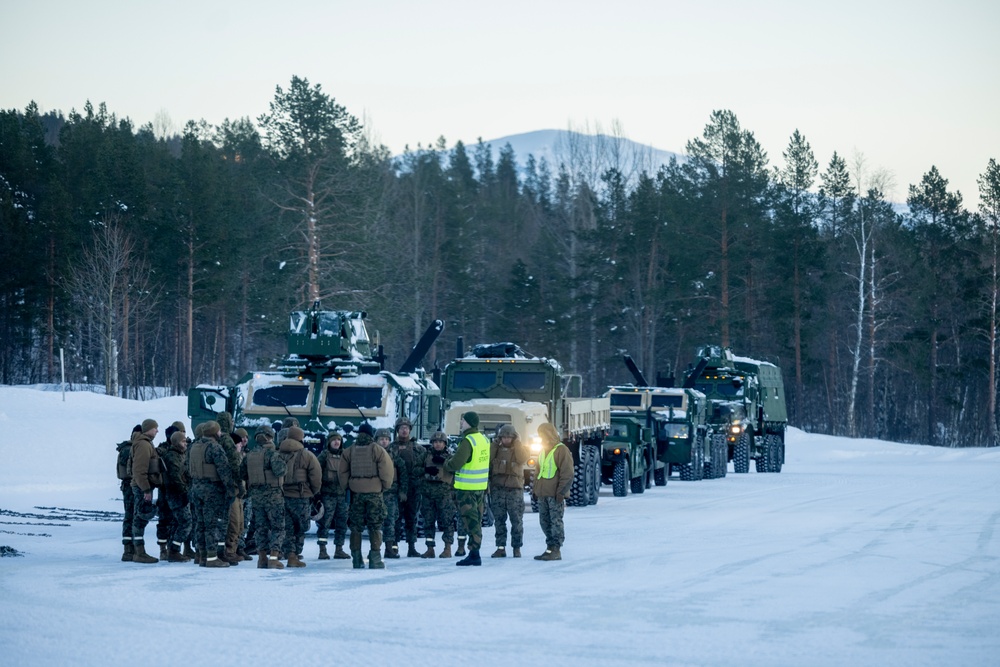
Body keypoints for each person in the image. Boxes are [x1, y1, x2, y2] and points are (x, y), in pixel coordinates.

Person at [338, 423, 394, 569]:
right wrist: (384, 486)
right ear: (371, 435)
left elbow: (342, 473)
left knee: (356, 527)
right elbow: (387, 471)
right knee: (375, 525)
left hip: (356, 494)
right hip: (374, 493)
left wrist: (348, 487)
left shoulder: (349, 451)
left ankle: (356, 559)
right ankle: (375, 558)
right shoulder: (378, 450)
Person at [444, 411, 491, 566]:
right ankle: (473, 552)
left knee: (471, 522)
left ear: (469, 423)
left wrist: (446, 464)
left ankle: (474, 554)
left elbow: (456, 463)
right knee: (476, 519)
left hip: (467, 488)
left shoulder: (467, 441)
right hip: (480, 487)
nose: (461, 423)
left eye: (463, 421)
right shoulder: (483, 439)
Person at [187, 420, 236, 568]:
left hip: (196, 488)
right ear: (215, 432)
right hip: (212, 491)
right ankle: (212, 557)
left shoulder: (193, 446)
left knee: (200, 523)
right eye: (219, 431)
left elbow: (186, 468)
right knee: (212, 524)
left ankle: (201, 555)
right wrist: (231, 489)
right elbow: (224, 470)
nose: (221, 433)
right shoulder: (215, 447)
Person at [240, 425, 287, 569]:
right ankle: (273, 558)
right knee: (278, 527)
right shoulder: (272, 453)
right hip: (273, 496)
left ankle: (261, 558)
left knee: (260, 528)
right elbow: (280, 471)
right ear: (270, 437)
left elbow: (242, 474)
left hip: (256, 497)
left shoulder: (250, 455)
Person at [278, 425, 322, 567]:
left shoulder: (278, 453)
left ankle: (290, 554)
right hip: (301, 496)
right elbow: (316, 477)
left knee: (288, 527)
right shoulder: (307, 455)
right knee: (301, 527)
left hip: (282, 495)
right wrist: (313, 492)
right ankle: (295, 555)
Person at [532, 423, 574, 561]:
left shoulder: (561, 450)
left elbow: (567, 473)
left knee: (555, 521)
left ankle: (556, 549)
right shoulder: (543, 450)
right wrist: (535, 489)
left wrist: (561, 492)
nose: (541, 437)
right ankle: (549, 548)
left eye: (543, 434)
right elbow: (538, 471)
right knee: (544, 521)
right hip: (543, 493)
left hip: (555, 494)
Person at [489, 424, 529, 558]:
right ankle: (500, 547)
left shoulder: (519, 449)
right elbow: (488, 458)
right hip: (498, 490)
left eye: (509, 437)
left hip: (514, 491)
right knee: (499, 521)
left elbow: (522, 458)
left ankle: (516, 548)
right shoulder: (496, 449)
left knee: (516, 520)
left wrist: (517, 443)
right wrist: (495, 443)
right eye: (503, 437)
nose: (506, 440)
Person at [129, 419, 163, 564]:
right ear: (148, 429)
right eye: (155, 428)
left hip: (143, 486)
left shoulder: (145, 443)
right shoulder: (143, 445)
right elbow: (139, 470)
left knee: (140, 517)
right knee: (140, 518)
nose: (157, 431)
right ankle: (139, 552)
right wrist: (146, 489)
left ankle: (138, 551)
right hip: (142, 487)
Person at [390, 417, 425, 557]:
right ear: (397, 430)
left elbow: (425, 467)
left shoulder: (419, 449)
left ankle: (412, 547)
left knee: (411, 518)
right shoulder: (391, 448)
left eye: (406, 428)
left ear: (410, 430)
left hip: (413, 489)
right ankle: (394, 546)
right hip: (395, 489)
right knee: (395, 518)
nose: (404, 430)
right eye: (401, 428)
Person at [420, 431, 456, 558]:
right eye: (435, 442)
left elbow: (455, 469)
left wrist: (445, 462)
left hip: (444, 493)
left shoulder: (450, 456)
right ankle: (430, 548)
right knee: (428, 521)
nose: (437, 444)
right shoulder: (425, 455)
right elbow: (415, 469)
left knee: (447, 520)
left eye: (440, 442)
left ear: (445, 444)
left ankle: (447, 548)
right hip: (428, 492)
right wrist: (425, 469)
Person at [216, 412, 246, 565]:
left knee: (227, 522)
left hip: (216, 488)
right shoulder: (226, 440)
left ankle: (228, 550)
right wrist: (240, 485)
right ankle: (229, 551)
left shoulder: (213, 440)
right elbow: (234, 465)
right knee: (233, 522)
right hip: (230, 488)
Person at [160, 429, 193, 562]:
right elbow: (175, 478)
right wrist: (185, 492)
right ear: (176, 442)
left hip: (179, 494)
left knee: (177, 522)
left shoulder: (180, 455)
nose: (185, 443)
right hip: (176, 495)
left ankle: (173, 550)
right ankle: (174, 550)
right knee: (186, 522)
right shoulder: (172, 457)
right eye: (183, 441)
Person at [316, 432, 350, 560]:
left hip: (342, 495)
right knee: (325, 523)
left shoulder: (345, 455)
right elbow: (316, 472)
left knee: (342, 523)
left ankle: (339, 549)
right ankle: (322, 549)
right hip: (328, 495)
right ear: (329, 442)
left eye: (339, 440)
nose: (337, 442)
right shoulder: (324, 456)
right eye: (334, 440)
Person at [376, 428, 406, 559]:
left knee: (391, 521)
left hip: (391, 493)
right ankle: (375, 548)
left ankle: (389, 548)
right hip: (375, 492)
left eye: (387, 439)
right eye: (382, 439)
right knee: (375, 521)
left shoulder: (394, 454)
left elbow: (403, 473)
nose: (384, 441)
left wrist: (403, 491)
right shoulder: (371, 454)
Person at [116, 424, 141, 562]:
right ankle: (128, 548)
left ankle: (131, 547)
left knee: (133, 514)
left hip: (132, 485)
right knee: (130, 515)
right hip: (130, 485)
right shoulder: (128, 449)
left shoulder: (129, 448)